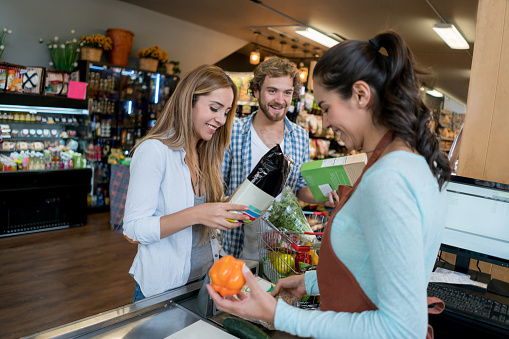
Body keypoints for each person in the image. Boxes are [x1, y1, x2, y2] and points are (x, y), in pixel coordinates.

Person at [208, 31, 451, 339]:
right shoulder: (415, 162)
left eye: (325, 107)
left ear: (361, 95)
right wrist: (312, 282)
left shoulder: (389, 179)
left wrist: (278, 315)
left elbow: (401, 328)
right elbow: (372, 271)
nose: (323, 123)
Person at [122, 64, 250, 302]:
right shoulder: (154, 151)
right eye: (214, 108)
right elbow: (133, 229)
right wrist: (198, 213)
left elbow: (204, 216)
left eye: (226, 112)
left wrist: (231, 205)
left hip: (204, 284)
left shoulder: (206, 153)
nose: (221, 119)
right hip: (162, 290)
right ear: (188, 101)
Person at [220, 56, 338, 260]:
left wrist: (328, 194)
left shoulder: (300, 136)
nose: (280, 100)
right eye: (272, 90)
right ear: (256, 91)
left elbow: (301, 189)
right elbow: (217, 191)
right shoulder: (233, 132)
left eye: (287, 92)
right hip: (236, 251)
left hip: (283, 252)